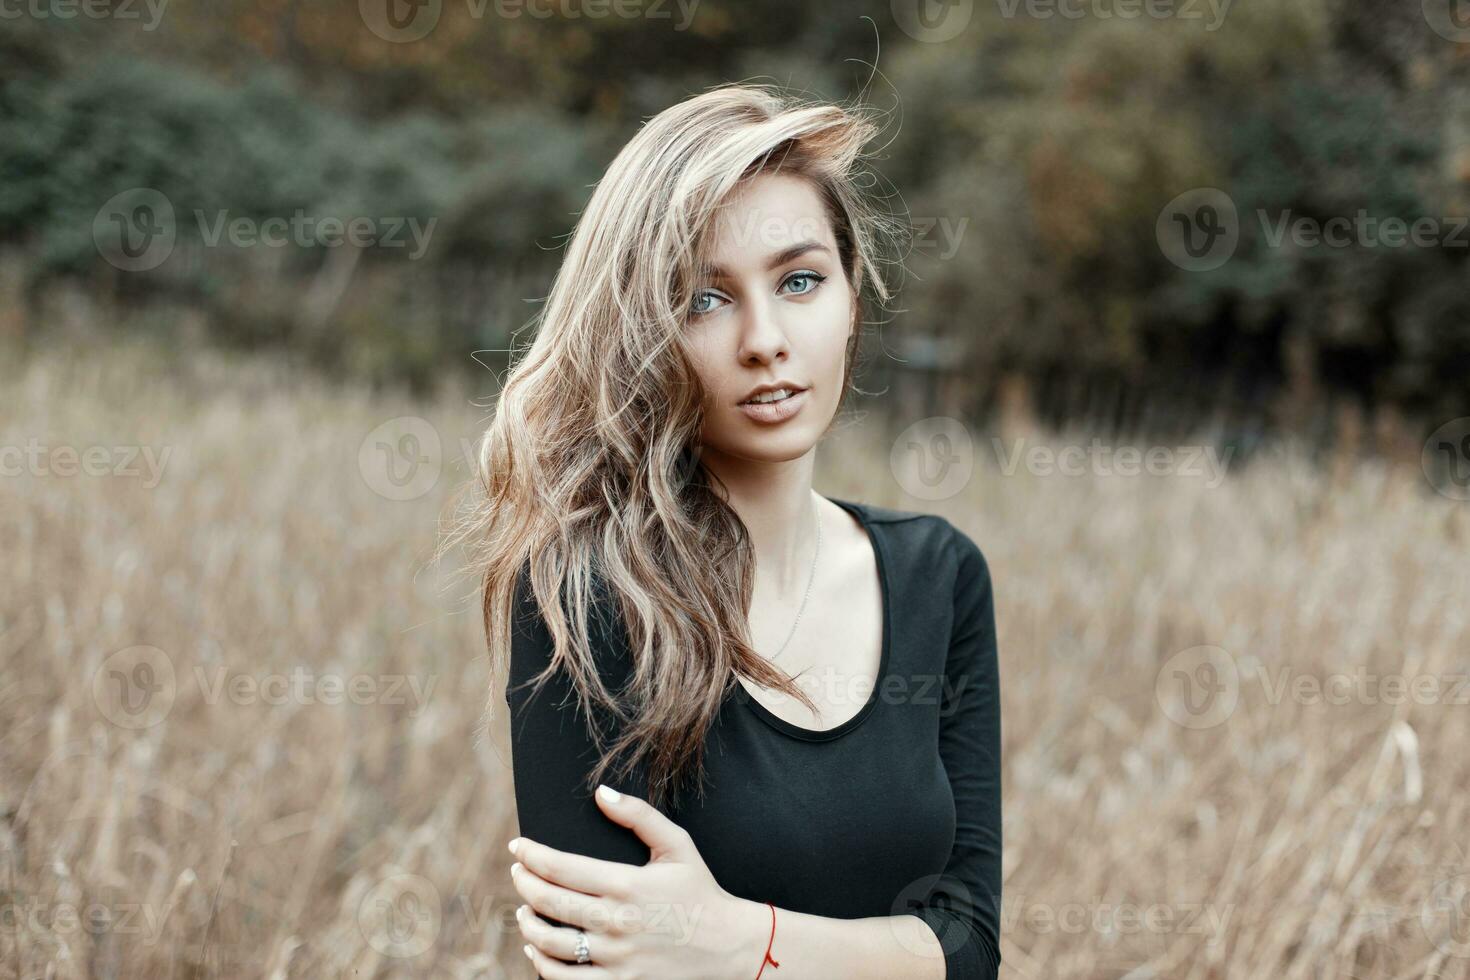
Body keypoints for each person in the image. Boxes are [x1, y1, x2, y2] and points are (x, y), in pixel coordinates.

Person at [458, 82, 1002, 979]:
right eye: (704, 299)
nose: (765, 339)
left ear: (852, 294)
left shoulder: (939, 574)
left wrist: (739, 942)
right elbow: (597, 966)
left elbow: (971, 948)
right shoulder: (584, 589)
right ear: (641, 332)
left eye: (799, 281)